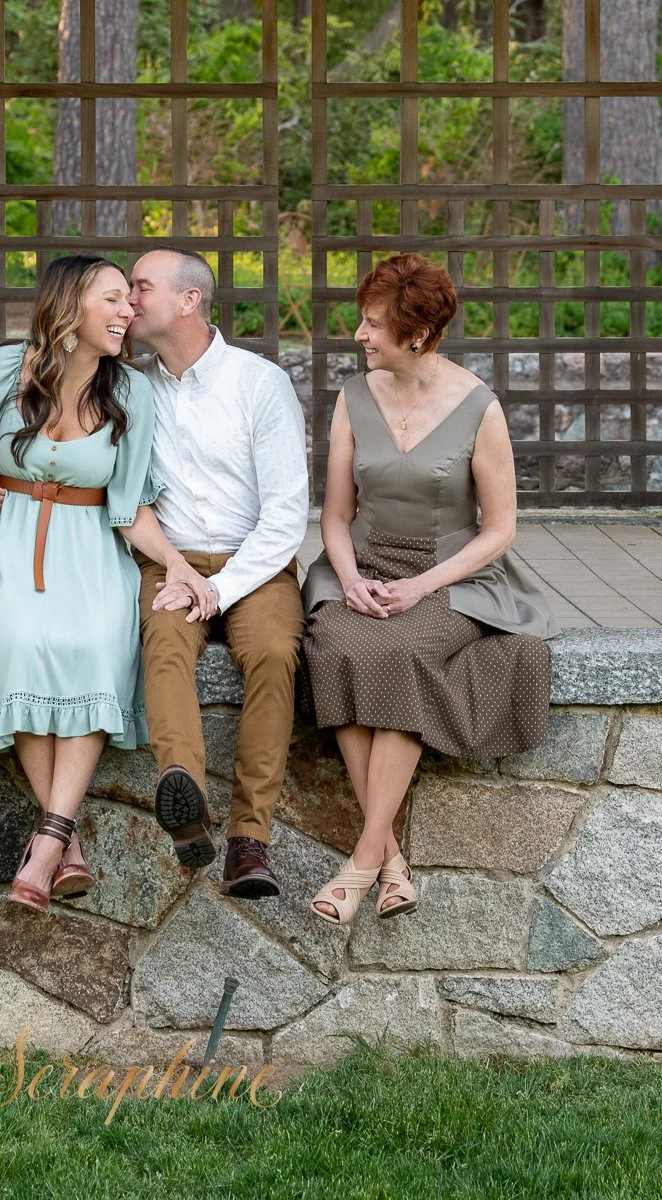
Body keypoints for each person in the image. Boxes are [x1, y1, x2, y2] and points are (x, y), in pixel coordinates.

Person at [302, 253, 559, 926]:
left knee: (400, 653)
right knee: (335, 647)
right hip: (360, 566)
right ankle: (390, 862)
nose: (359, 334)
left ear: (416, 335)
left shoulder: (479, 407)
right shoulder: (354, 396)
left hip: (453, 577)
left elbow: (500, 530)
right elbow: (334, 515)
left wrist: (421, 586)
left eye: (373, 324)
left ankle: (363, 860)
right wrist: (350, 578)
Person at [0, 254, 211, 914]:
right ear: (69, 307)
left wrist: (178, 563)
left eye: (132, 299)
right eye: (114, 299)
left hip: (91, 546)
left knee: (97, 644)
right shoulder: (2, 369)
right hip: (10, 538)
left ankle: (47, 843)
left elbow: (129, 507)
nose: (130, 310)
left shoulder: (130, 390)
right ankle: (61, 841)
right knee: (15, 640)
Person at [125, 248, 309, 899]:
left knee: (274, 652)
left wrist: (222, 589)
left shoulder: (259, 383)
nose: (129, 298)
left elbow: (286, 514)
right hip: (170, 562)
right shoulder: (132, 389)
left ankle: (249, 841)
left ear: (189, 300)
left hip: (256, 564)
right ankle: (187, 806)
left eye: (141, 287)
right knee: (163, 643)